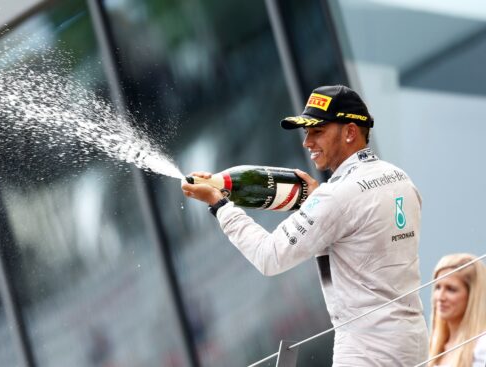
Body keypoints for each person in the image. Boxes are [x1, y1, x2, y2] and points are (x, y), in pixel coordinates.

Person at [181, 85, 429, 366]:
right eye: (307, 132)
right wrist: (317, 203)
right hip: (413, 342)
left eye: (318, 131)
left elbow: (269, 257)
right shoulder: (400, 178)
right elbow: (361, 234)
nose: (307, 142)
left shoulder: (335, 196)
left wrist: (219, 205)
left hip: (366, 352)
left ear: (350, 132)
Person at [429, 253, 486, 367]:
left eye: (451, 289)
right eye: (438, 287)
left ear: (472, 295)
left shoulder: (482, 347)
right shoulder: (436, 346)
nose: (440, 297)